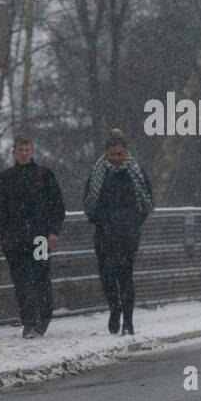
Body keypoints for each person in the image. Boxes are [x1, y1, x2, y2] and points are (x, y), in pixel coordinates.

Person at [0, 136, 66, 338]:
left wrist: (53, 231)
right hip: (15, 239)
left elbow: (57, 206)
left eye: (27, 149)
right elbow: (0, 211)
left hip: (40, 237)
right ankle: (28, 321)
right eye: (20, 149)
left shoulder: (44, 175)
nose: (23, 153)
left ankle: (43, 317)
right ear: (14, 152)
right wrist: (5, 236)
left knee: (41, 277)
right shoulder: (6, 178)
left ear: (32, 151)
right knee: (21, 280)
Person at [83, 130, 154, 335]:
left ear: (125, 153)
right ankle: (115, 307)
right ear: (107, 153)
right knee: (106, 275)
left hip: (127, 233)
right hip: (104, 232)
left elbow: (145, 202)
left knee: (125, 275)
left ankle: (128, 321)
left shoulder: (136, 173)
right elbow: (89, 201)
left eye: (119, 155)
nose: (115, 159)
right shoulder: (97, 173)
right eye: (112, 155)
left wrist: (132, 223)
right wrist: (101, 221)